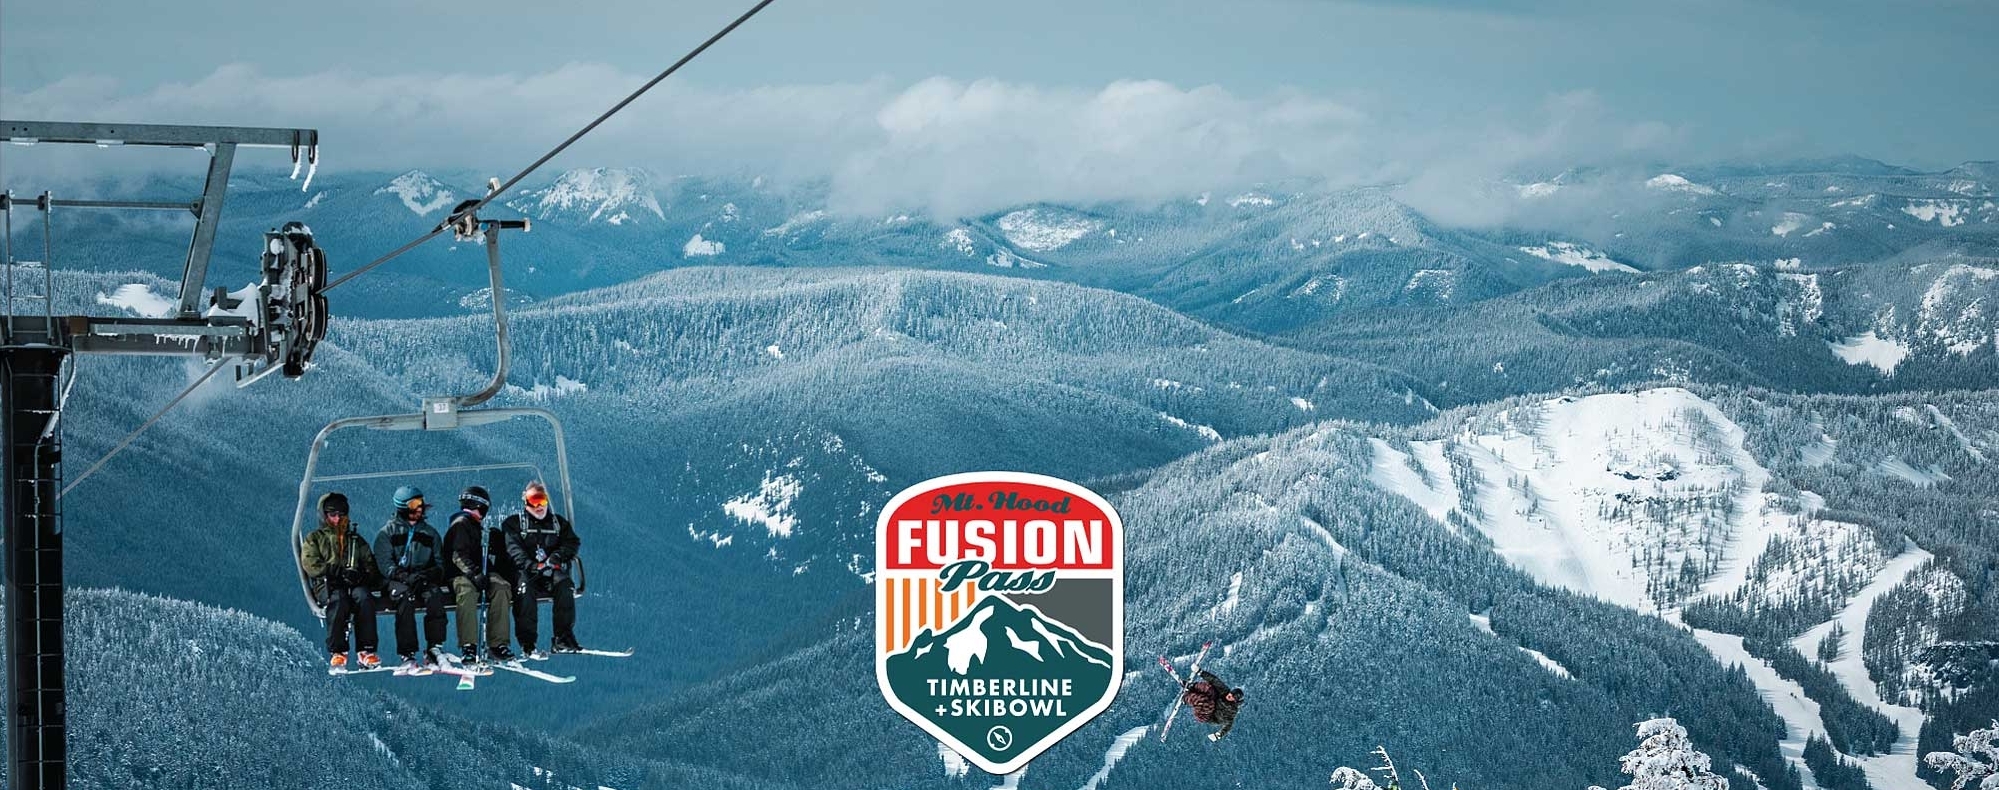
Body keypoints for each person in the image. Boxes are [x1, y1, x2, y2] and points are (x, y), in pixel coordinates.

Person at [299, 492, 381, 670]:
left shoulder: (355, 541)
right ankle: (338, 652)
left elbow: (370, 565)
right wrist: (332, 570)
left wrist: (361, 576)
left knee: (364, 598)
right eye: (332, 515)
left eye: (341, 515)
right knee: (338, 600)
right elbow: (310, 563)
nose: (337, 519)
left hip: (353, 584)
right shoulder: (315, 539)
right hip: (329, 584)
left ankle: (366, 650)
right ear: (324, 515)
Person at [374, 485, 449, 672]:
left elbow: (440, 564)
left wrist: (426, 575)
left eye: (421, 503)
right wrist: (403, 576)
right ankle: (408, 654)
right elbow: (385, 564)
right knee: (404, 599)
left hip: (421, 578)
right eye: (414, 504)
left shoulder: (429, 534)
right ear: (402, 507)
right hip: (396, 580)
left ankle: (434, 647)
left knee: (434, 596)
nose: (420, 508)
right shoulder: (387, 533)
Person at [504, 481, 583, 658]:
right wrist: (531, 565)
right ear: (526, 502)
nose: (539, 506)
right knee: (525, 591)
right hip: (527, 571)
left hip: (548, 570)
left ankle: (562, 637)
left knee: (564, 584)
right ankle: (528, 643)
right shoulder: (515, 524)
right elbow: (513, 549)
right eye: (534, 501)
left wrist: (557, 556)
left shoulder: (557, 524)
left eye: (542, 500)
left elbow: (572, 542)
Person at [444, 485, 514, 664]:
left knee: (501, 587)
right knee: (467, 593)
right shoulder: (461, 524)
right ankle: (469, 645)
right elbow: (457, 555)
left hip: (479, 572)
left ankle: (498, 644)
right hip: (461, 574)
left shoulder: (476, 526)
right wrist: (474, 574)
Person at [1181, 669, 1245, 741]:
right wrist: (1200, 672)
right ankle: (1191, 687)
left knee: (1206, 702)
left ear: (1235, 701)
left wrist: (1218, 735)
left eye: (1234, 697)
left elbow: (1228, 725)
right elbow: (1214, 680)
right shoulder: (1225, 691)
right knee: (1210, 689)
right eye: (1232, 693)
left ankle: (1186, 698)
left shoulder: (1232, 710)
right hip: (1210, 701)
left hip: (1206, 715)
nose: (1230, 695)